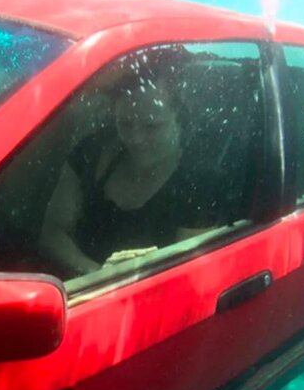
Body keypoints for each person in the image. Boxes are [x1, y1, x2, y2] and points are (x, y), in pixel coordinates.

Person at [39, 52, 220, 278]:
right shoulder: (92, 151)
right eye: (125, 123)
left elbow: (190, 275)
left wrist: (118, 280)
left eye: (151, 126)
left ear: (179, 118)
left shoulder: (199, 180)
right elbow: (52, 234)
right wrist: (99, 275)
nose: (136, 138)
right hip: (75, 288)